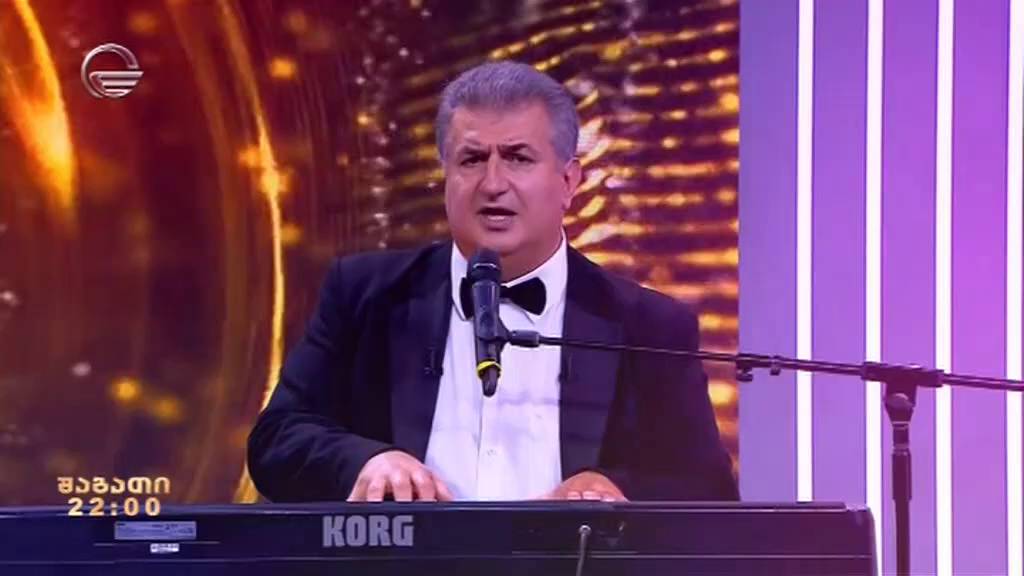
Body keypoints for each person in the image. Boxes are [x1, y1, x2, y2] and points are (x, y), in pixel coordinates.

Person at [247, 60, 738, 503]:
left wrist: (614, 488)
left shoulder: (648, 325)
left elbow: (707, 489)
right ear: (445, 175)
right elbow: (278, 439)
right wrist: (367, 461)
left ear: (569, 182)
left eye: (518, 157)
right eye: (472, 159)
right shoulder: (366, 295)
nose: (493, 183)